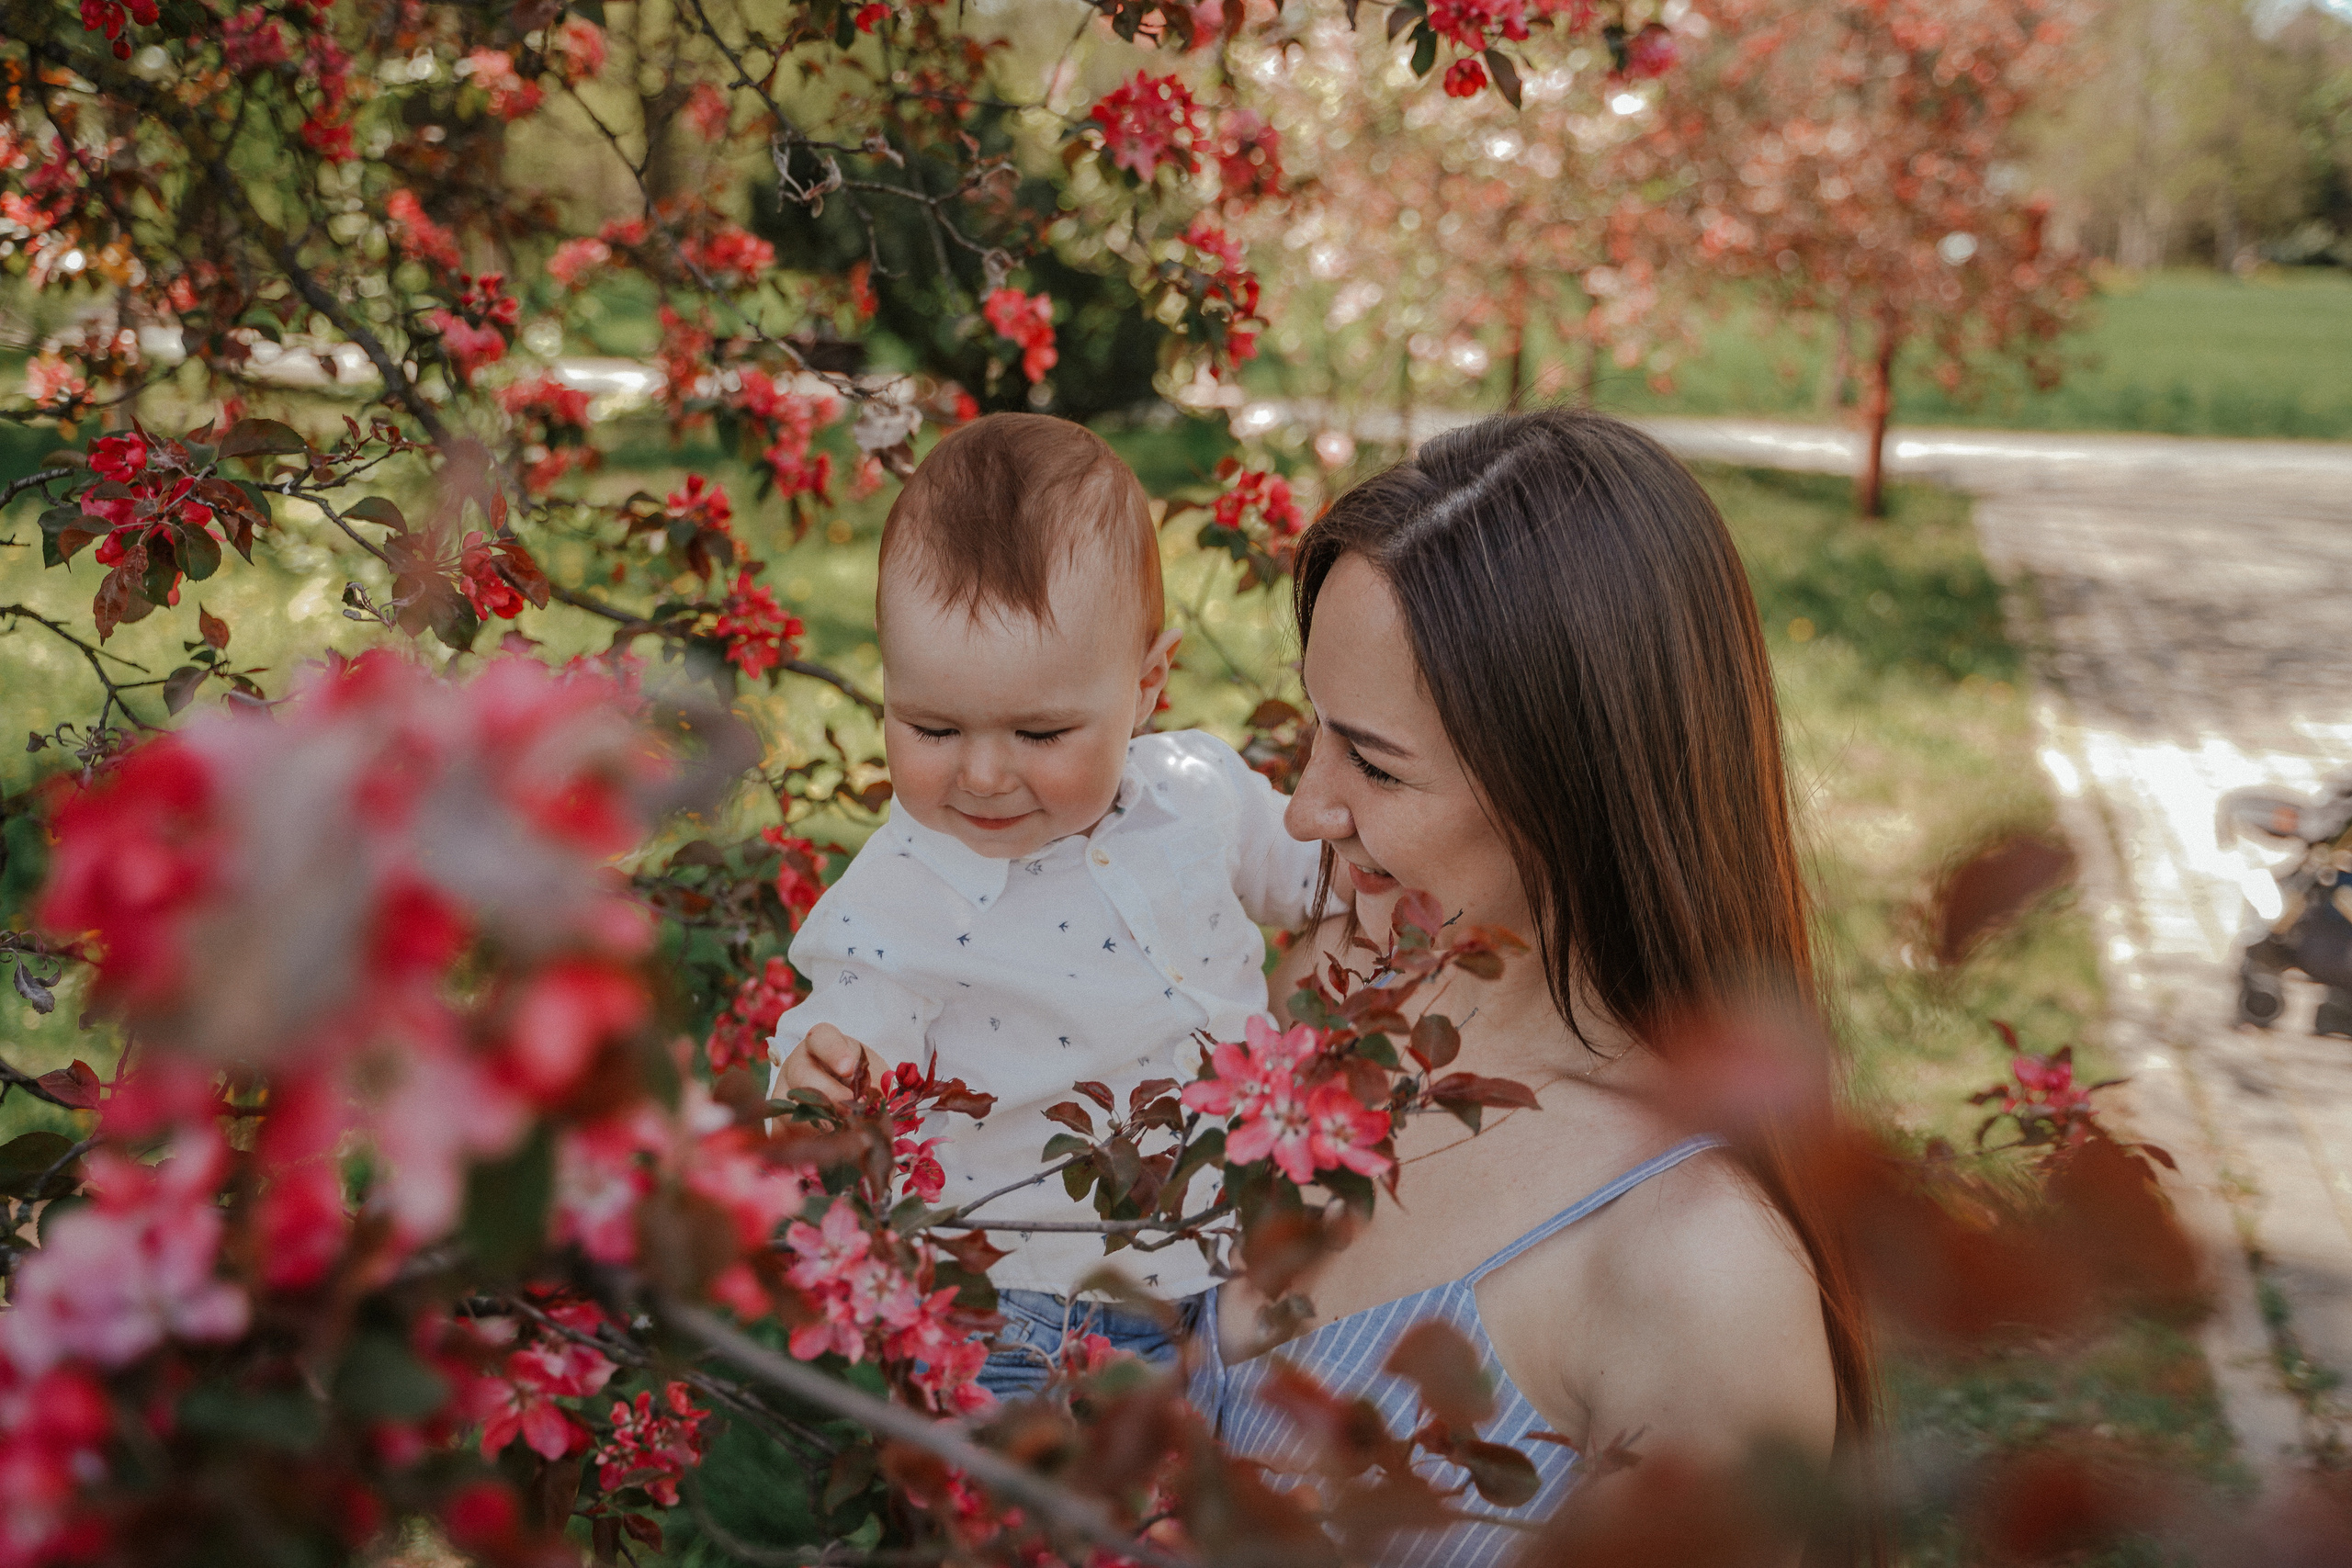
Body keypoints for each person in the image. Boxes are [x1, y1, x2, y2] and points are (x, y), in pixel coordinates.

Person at [1188, 408, 1874, 1567]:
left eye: (1374, 762)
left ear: (1570, 793)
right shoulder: (1328, 1005)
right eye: (1316, 730)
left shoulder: (1699, 1278)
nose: (1304, 809)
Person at [769, 413, 1329, 1399]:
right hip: (1026, 1312)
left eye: (1040, 732)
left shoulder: (1201, 794)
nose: (983, 774)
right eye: (931, 726)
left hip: (1231, 1263)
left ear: (1147, 685)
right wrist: (823, 1068)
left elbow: (1314, 875)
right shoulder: (908, 887)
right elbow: (847, 1014)